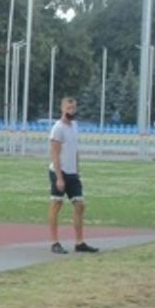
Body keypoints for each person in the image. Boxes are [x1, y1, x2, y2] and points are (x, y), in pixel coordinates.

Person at [48, 96, 97, 255]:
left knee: (80, 205)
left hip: (72, 172)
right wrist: (59, 177)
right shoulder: (58, 128)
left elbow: (75, 150)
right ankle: (55, 242)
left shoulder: (75, 126)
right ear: (62, 109)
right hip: (59, 171)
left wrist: (77, 169)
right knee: (57, 205)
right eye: (68, 108)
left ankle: (79, 242)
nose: (71, 111)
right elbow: (55, 154)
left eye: (73, 108)